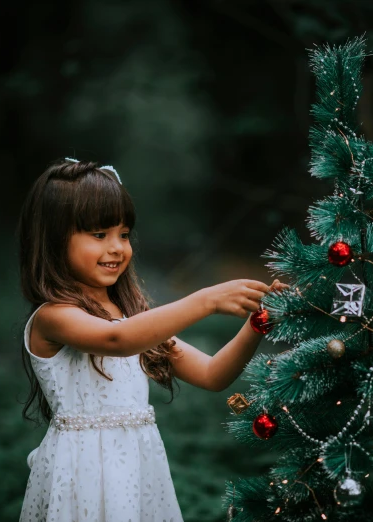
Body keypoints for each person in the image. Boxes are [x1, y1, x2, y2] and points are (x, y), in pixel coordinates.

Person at [17, 158, 288, 522]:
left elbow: (211, 374)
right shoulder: (54, 317)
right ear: (53, 240)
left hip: (137, 471)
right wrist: (206, 300)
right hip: (79, 474)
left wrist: (258, 323)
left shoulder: (133, 320)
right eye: (99, 235)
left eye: (124, 234)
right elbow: (117, 339)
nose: (117, 248)